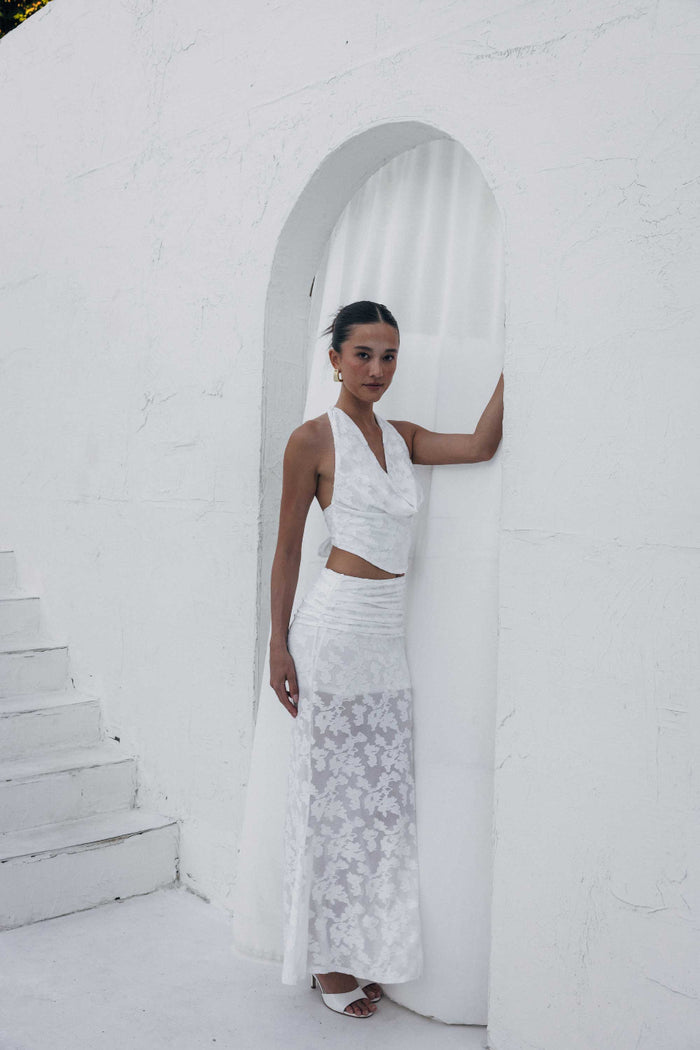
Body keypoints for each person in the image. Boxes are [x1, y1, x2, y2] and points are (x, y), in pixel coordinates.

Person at [269, 300, 504, 1018]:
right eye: (363, 354)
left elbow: (478, 446)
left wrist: (523, 355)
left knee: (376, 809)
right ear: (333, 359)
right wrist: (278, 642)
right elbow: (284, 550)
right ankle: (326, 963)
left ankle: (358, 944)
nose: (377, 369)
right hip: (334, 631)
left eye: (389, 356)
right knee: (329, 799)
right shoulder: (312, 440)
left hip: (384, 643)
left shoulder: (400, 438)